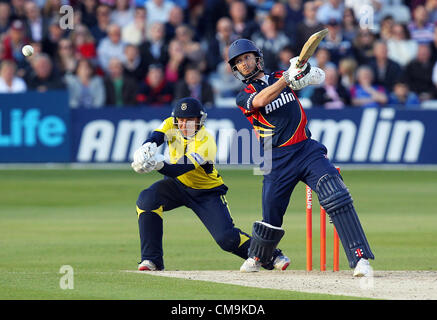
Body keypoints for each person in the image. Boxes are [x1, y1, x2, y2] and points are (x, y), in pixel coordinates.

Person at [227, 39, 374, 276]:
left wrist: (302, 71)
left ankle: (360, 259)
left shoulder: (279, 75)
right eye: (238, 62)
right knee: (271, 218)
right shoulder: (243, 95)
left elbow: (319, 76)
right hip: (276, 159)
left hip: (306, 149)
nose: (244, 64)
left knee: (335, 195)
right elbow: (262, 101)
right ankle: (257, 256)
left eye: (246, 57)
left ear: (257, 57)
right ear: (235, 69)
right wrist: (288, 78)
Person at [130, 97, 290, 271]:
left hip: (205, 192)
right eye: (181, 120)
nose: (184, 125)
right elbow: (156, 136)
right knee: (147, 200)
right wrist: (146, 149)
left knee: (227, 239)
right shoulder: (171, 123)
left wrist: (156, 163)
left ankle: (271, 254)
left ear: (199, 121)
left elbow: (180, 168)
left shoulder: (206, 141)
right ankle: (151, 260)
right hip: (176, 186)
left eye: (190, 121)